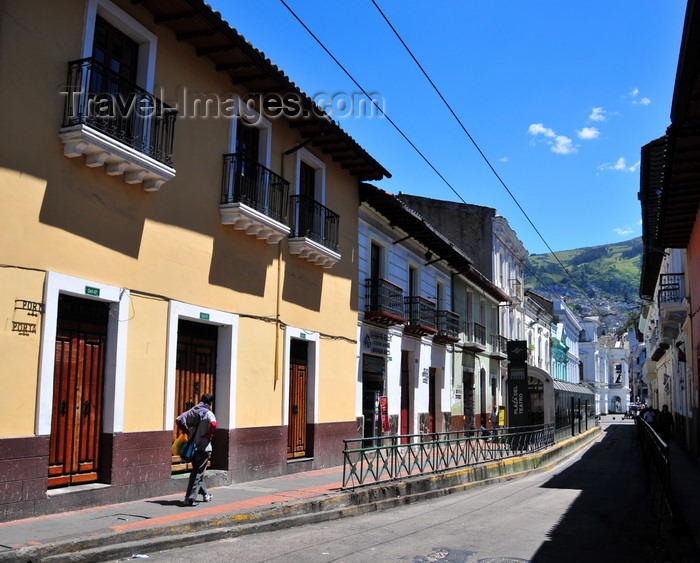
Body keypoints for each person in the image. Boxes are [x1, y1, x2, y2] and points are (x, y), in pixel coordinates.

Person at [176, 393, 217, 506]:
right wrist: (209, 434)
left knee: (198, 471)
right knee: (198, 473)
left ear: (200, 400)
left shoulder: (192, 411)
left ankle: (205, 494)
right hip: (203, 447)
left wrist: (186, 431)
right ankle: (189, 499)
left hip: (192, 447)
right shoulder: (208, 413)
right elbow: (213, 424)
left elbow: (178, 420)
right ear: (210, 403)